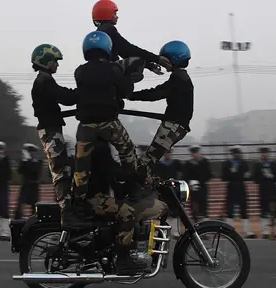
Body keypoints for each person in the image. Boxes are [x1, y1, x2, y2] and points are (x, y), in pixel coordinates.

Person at [72, 31, 140, 205]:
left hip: (85, 126)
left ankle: (77, 202)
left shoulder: (79, 71)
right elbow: (126, 92)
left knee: (81, 166)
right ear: (107, 48)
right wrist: (128, 78)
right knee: (128, 152)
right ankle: (131, 189)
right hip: (109, 123)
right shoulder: (114, 69)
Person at [87, 139, 167, 275]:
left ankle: (129, 248)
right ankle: (123, 260)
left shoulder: (100, 144)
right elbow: (112, 171)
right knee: (128, 212)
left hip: (99, 195)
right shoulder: (99, 146)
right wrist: (136, 176)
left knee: (128, 206)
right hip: (95, 198)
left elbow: (114, 176)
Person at [127, 40, 193, 182]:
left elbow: (155, 94)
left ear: (172, 59)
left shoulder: (177, 79)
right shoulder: (182, 77)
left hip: (172, 127)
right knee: (149, 161)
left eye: (165, 59)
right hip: (177, 126)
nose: (163, 62)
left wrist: (130, 95)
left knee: (145, 164)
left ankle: (137, 193)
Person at [31, 44, 79, 224]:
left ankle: (70, 207)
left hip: (52, 129)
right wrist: (83, 93)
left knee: (67, 167)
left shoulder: (44, 80)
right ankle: (66, 214)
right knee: (60, 171)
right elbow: (64, 97)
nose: (57, 65)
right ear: (45, 62)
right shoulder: (44, 81)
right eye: (55, 62)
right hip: (51, 132)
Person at [92, 0, 171, 71]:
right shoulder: (109, 29)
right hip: (110, 73)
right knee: (135, 65)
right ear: (106, 13)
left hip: (98, 73)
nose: (117, 17)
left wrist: (149, 65)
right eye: (115, 13)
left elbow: (124, 52)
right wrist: (157, 59)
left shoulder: (98, 34)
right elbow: (129, 50)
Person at [221, 146, 256, 238]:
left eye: (238, 153)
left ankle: (247, 231)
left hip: (241, 187)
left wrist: (245, 175)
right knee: (230, 210)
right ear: (232, 154)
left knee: (244, 209)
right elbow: (223, 177)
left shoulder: (243, 163)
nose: (236, 154)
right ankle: (229, 231)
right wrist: (231, 172)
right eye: (234, 153)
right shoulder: (227, 164)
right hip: (231, 187)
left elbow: (248, 175)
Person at [253, 146, 276, 239]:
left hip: (272, 189)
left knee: (275, 210)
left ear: (268, 154)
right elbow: (255, 179)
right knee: (264, 210)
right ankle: (265, 231)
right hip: (262, 189)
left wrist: (271, 176)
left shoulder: (274, 164)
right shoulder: (257, 165)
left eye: (266, 153)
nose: (264, 154)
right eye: (263, 153)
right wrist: (262, 175)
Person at [183, 145, 212, 223]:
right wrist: (190, 182)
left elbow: (209, 175)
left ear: (199, 153)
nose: (195, 154)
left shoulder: (205, 162)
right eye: (193, 153)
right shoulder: (188, 163)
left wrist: (200, 181)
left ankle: (205, 223)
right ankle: (195, 223)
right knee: (193, 206)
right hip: (192, 188)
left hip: (202, 187)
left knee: (204, 205)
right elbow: (185, 176)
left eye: (196, 152)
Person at [14, 143, 42, 219]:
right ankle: (18, 218)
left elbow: (34, 172)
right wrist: (25, 161)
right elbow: (20, 171)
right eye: (29, 152)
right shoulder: (24, 161)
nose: (31, 153)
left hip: (34, 186)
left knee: (34, 204)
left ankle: (34, 218)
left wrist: (28, 161)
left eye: (32, 152)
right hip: (25, 185)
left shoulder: (38, 162)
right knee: (20, 203)